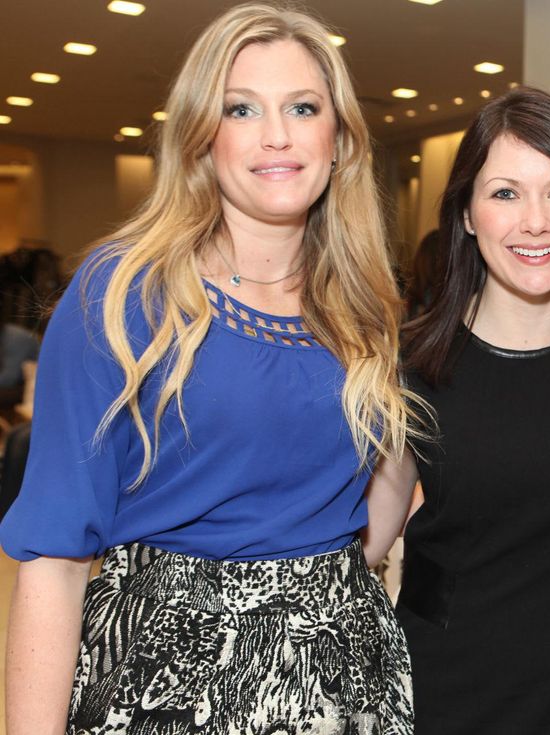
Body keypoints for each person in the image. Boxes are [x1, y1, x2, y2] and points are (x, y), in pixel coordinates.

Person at [1, 4, 417, 732]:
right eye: (241, 109)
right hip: (165, 688)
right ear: (201, 138)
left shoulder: (365, 304)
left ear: (340, 139)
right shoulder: (121, 295)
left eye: (303, 107)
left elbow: (374, 497)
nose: (278, 135)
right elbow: (55, 558)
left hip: (342, 685)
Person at [361, 87, 550, 734]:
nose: (535, 221)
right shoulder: (410, 367)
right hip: (442, 689)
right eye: (506, 192)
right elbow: (365, 538)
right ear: (465, 212)